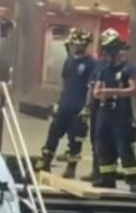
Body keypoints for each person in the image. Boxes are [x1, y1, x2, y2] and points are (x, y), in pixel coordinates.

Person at [39, 28, 95, 179]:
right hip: (64, 105)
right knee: (53, 134)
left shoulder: (91, 64)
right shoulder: (69, 61)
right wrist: (58, 101)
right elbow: (63, 82)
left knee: (75, 139)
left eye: (77, 45)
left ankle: (71, 168)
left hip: (78, 107)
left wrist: (87, 108)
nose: (75, 47)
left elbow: (91, 87)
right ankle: (45, 163)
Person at [92, 30, 136, 193]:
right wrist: (100, 93)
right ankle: (107, 178)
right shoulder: (104, 69)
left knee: (124, 145)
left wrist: (112, 92)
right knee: (103, 144)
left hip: (122, 113)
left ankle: (132, 180)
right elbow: (97, 91)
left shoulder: (129, 68)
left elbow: (133, 89)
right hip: (104, 112)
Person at [80, 33, 114, 183]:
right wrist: (87, 105)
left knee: (105, 141)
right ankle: (97, 171)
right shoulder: (99, 65)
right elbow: (91, 86)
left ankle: (105, 174)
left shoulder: (115, 66)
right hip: (96, 105)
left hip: (110, 107)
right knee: (95, 139)